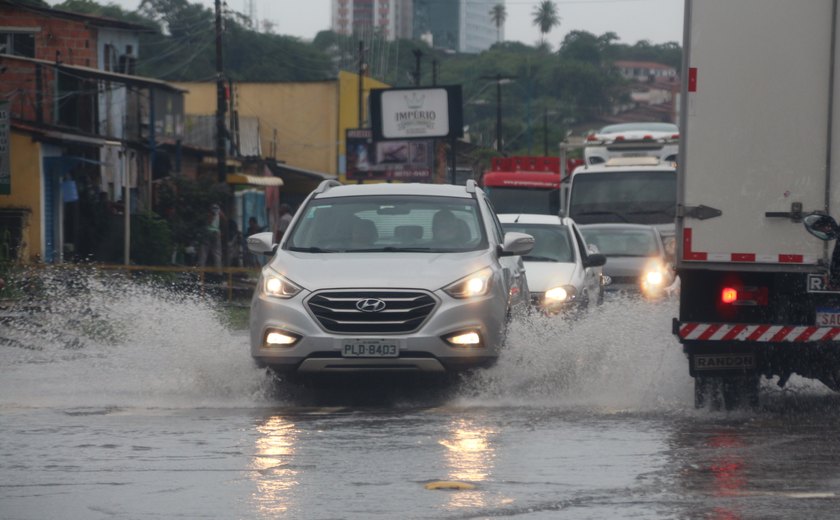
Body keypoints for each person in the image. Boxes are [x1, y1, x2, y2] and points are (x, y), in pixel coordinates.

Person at [198, 203, 225, 269]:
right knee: (217, 253)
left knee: (204, 252)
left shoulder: (209, 213)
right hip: (216, 232)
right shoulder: (220, 213)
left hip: (208, 231)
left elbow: (208, 222)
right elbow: (224, 220)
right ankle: (218, 272)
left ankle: (200, 270)